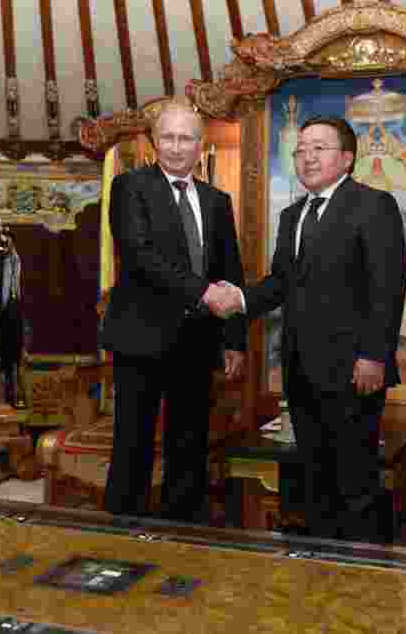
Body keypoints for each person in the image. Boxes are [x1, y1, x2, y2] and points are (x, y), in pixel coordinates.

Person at [209, 116, 406, 543]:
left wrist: (374, 354)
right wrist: (240, 299)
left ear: (348, 158)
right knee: (313, 478)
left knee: (355, 480)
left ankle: (363, 574)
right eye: (301, 150)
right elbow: (281, 282)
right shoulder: (292, 215)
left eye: (319, 147)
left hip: (356, 370)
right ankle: (318, 571)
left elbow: (387, 287)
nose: (308, 157)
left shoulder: (374, 205)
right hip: (302, 371)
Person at [100, 97, 247, 523]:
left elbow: (229, 271)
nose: (177, 146)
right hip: (140, 336)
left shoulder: (217, 200)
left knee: (190, 442)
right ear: (154, 141)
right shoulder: (130, 187)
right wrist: (204, 293)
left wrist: (234, 339)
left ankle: (183, 531)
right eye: (168, 137)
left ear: (200, 144)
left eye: (185, 138)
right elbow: (141, 256)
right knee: (134, 440)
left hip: (197, 341)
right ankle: (122, 529)